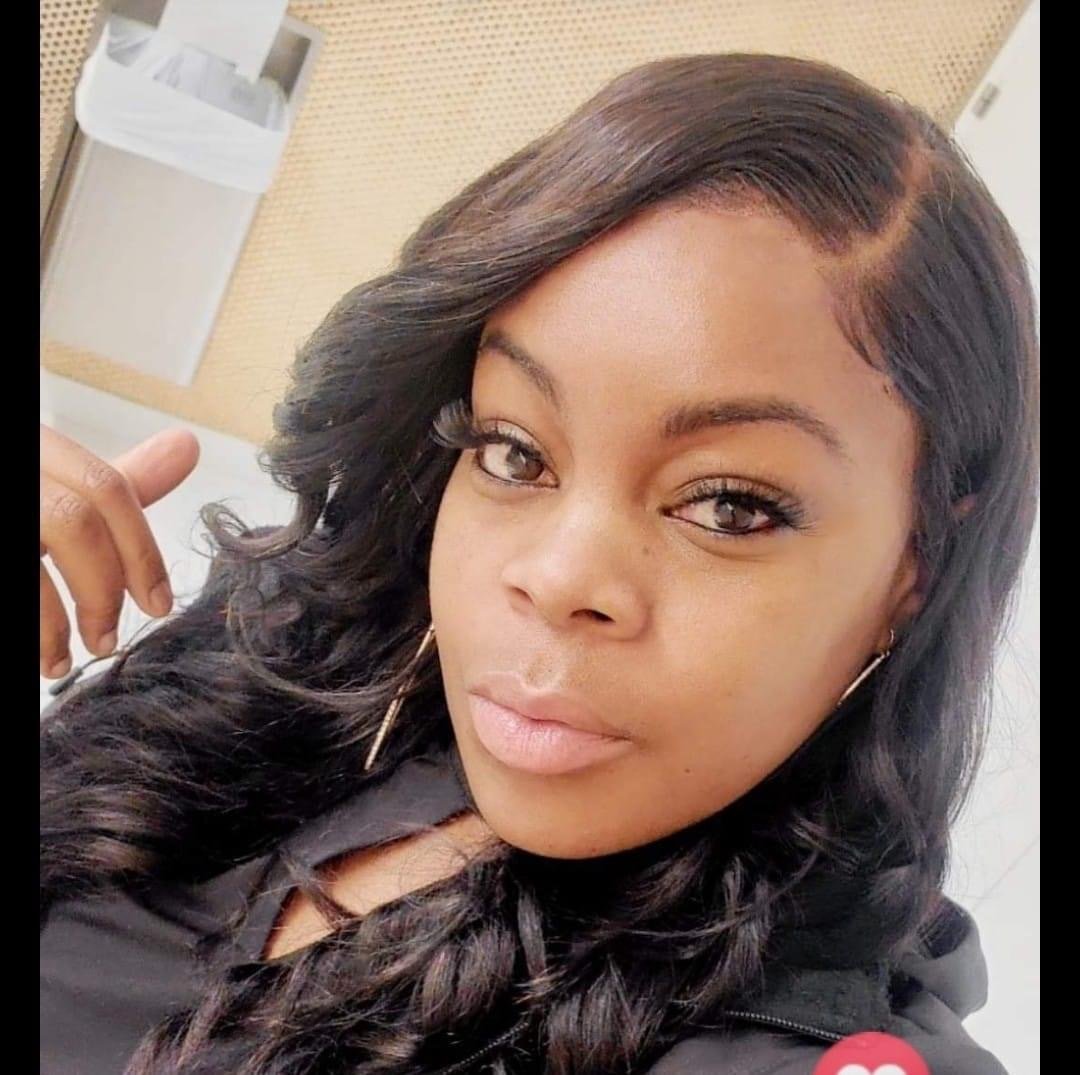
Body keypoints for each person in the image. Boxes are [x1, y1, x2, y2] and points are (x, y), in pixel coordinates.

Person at [40, 52, 1038, 1074]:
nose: (557, 578)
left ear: (915, 569)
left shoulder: (798, 1046)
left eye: (730, 505)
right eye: (515, 451)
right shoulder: (285, 658)